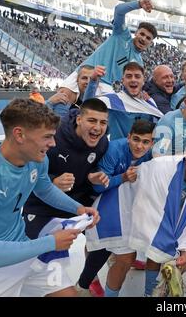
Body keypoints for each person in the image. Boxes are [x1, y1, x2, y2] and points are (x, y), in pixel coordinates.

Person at [0, 99, 99, 297]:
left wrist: (78, 209)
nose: (52, 144)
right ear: (19, 134)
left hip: (23, 247)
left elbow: (44, 189)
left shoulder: (37, 158)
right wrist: (50, 243)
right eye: (47, 137)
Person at [79, 120, 156, 297]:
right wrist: (122, 177)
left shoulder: (152, 155)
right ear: (128, 137)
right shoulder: (114, 149)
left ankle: (92, 281)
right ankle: (89, 280)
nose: (139, 146)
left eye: (145, 142)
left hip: (125, 204)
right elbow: (97, 187)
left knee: (123, 256)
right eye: (136, 139)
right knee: (97, 245)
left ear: (152, 143)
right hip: (93, 199)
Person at [128, 139, 186, 296]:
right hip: (138, 210)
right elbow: (141, 176)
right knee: (154, 248)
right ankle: (153, 290)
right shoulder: (164, 167)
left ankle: (153, 291)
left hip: (166, 221)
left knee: (164, 250)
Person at [60, 0, 157, 96]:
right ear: (136, 33)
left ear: (150, 43)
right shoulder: (122, 35)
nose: (144, 38)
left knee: (92, 110)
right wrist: (139, 4)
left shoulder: (139, 63)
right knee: (62, 99)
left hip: (105, 88)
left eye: (148, 38)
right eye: (142, 34)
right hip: (84, 73)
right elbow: (119, 10)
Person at [85, 62, 163, 140]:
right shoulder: (112, 100)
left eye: (137, 76)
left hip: (141, 150)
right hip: (116, 150)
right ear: (123, 80)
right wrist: (93, 80)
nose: (133, 79)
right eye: (129, 76)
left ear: (143, 80)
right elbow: (87, 108)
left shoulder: (149, 103)